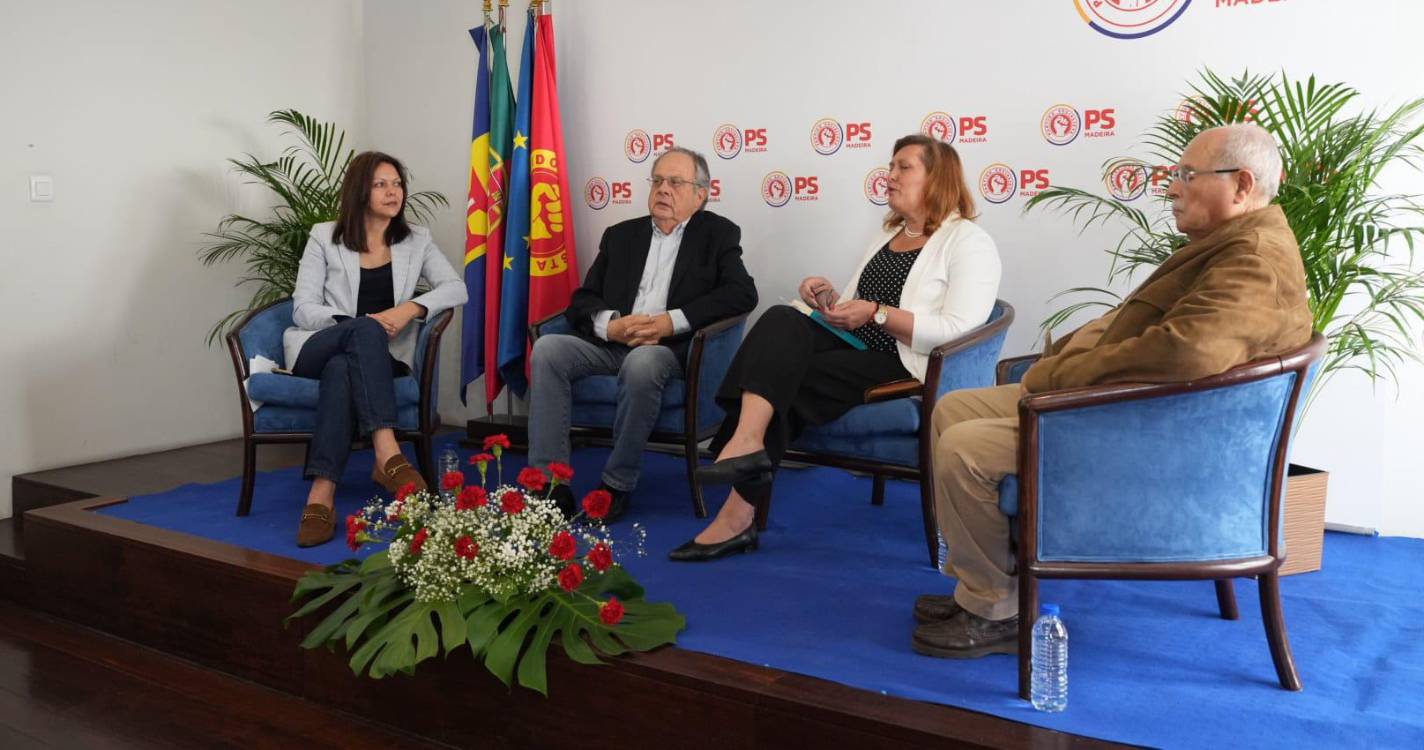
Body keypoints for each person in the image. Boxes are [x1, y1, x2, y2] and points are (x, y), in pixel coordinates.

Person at [913, 123, 1314, 658]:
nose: (1171, 187)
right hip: (1128, 407)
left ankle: (997, 612)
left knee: (964, 450)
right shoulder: (1233, 241)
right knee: (954, 409)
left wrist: (1065, 374)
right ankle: (985, 586)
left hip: (1143, 433)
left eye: (1187, 175)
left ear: (1241, 185)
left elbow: (1186, 354)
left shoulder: (1255, 258)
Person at [670, 134, 1002, 562]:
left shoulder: (968, 242)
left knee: (784, 379)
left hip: (902, 362)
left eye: (904, 167)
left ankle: (736, 515)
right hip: (856, 345)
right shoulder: (890, 236)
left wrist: (879, 313)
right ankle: (749, 441)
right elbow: (854, 305)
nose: (890, 175)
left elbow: (958, 329)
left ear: (937, 178)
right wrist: (826, 298)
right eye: (891, 165)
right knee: (781, 317)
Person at [527, 147, 757, 521]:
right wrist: (611, 324)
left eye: (676, 182)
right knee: (549, 349)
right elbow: (583, 300)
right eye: (658, 181)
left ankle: (616, 485)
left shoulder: (717, 235)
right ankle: (550, 485)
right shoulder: (620, 236)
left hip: (669, 351)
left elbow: (742, 294)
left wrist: (672, 321)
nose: (664, 190)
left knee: (643, 361)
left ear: (701, 195)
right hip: (614, 343)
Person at [284, 151, 467, 547]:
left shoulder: (416, 239)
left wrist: (410, 309)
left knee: (342, 370)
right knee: (361, 333)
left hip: (373, 360)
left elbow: (456, 287)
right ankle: (387, 453)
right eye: (381, 184)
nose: (392, 192)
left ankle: (322, 492)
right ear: (359, 190)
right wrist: (351, 327)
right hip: (317, 345)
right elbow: (302, 307)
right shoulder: (324, 236)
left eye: (397, 184)